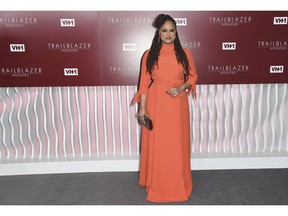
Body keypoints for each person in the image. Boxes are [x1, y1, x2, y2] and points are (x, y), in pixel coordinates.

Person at [132, 14, 198, 202]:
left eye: (171, 30)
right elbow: (144, 83)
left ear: (176, 32)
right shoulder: (149, 54)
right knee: (158, 144)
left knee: (176, 144)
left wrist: (180, 87)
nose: (168, 34)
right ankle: (156, 182)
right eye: (164, 31)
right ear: (158, 33)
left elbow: (193, 77)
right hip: (156, 102)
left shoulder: (185, 53)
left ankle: (178, 184)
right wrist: (143, 108)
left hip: (177, 104)